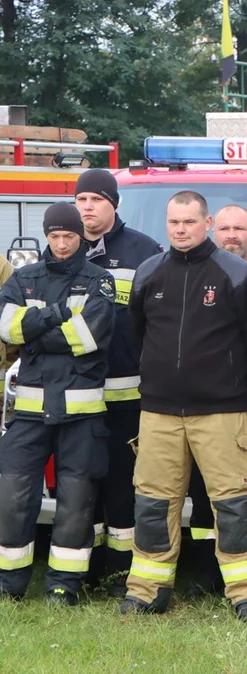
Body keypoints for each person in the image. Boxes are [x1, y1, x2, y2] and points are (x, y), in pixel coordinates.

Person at [122, 191, 247, 621]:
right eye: (174, 223)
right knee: (153, 501)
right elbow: (138, 336)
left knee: (234, 502)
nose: (181, 229)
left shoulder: (236, 273)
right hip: (159, 412)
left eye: (190, 222)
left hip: (222, 411)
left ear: (207, 223)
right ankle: (147, 590)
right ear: (166, 225)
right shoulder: (149, 273)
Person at [0, 203, 114, 604]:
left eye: (68, 236)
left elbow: (86, 339)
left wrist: (35, 329)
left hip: (81, 416)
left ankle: (64, 586)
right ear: (46, 236)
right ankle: (9, 584)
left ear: (80, 236)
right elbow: (8, 329)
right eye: (54, 236)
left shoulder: (100, 280)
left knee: (76, 502)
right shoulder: (23, 277)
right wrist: (59, 313)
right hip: (30, 414)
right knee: (13, 494)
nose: (62, 244)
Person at [185, 204, 247, 598]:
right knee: (204, 487)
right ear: (213, 230)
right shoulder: (197, 274)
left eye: (240, 228)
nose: (232, 235)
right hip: (208, 401)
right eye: (225, 228)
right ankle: (206, 569)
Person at [74, 168, 163, 596]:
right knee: (83, 483)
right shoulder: (65, 250)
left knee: (124, 484)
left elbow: (156, 322)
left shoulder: (144, 251)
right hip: (76, 394)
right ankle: (83, 569)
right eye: (81, 200)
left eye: (96, 199)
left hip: (129, 394)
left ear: (113, 203)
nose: (87, 207)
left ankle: (118, 572)